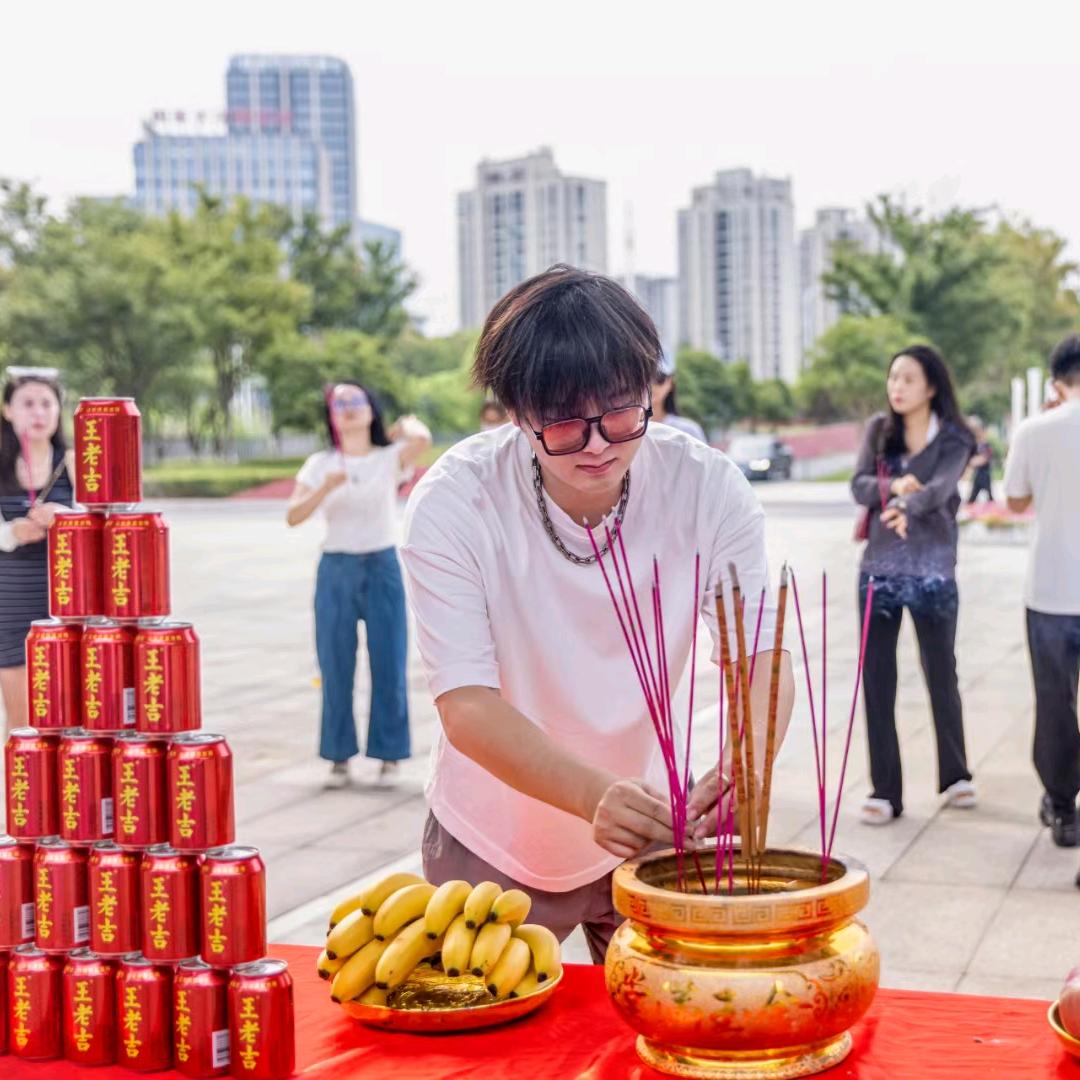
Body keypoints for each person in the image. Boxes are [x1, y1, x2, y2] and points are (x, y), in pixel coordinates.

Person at [401, 266, 793, 959]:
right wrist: (591, 796)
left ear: (652, 387)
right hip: (497, 832)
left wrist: (744, 763)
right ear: (515, 412)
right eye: (562, 423)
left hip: (647, 828)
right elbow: (466, 707)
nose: (597, 446)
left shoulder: (705, 486)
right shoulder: (454, 503)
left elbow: (759, 652)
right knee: (502, 1056)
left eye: (618, 413)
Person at [851, 345, 976, 825]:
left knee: (941, 672)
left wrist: (904, 506)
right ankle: (885, 789)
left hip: (934, 571)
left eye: (907, 378)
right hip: (879, 570)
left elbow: (942, 490)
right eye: (893, 378)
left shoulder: (956, 438)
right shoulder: (878, 431)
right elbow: (859, 484)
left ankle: (956, 775)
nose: (896, 387)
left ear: (931, 386)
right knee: (877, 679)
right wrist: (892, 491)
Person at [286, 382, 432, 787]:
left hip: (382, 564)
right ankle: (338, 756)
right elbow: (293, 515)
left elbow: (422, 438)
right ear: (331, 415)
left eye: (356, 402)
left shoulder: (388, 458)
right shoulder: (320, 464)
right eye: (339, 404)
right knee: (335, 663)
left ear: (371, 409)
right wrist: (325, 488)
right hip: (336, 568)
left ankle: (389, 756)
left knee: (389, 660)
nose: (348, 409)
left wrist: (403, 424)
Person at [1003, 334, 1080, 854]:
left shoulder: (1034, 429)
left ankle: (1063, 806)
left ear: (1056, 381)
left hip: (1051, 591)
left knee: (1055, 703)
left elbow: (1013, 500)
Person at [0, 369, 75, 733]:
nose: (38, 412)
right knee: (21, 723)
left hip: (66, 605)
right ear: (7, 410)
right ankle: (23, 791)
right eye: (27, 403)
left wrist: (64, 516)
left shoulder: (75, 464)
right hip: (11, 605)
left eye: (47, 403)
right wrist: (12, 533)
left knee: (70, 718)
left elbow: (107, 523)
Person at [651, 363, 707, 443]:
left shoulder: (688, 431)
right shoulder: (629, 430)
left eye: (659, 378)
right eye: (643, 378)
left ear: (670, 382)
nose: (651, 385)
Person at [967, 417, 994, 503]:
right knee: (973, 496)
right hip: (978, 475)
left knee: (989, 496)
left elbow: (985, 458)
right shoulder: (975, 446)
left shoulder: (986, 445)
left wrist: (972, 462)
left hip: (985, 475)